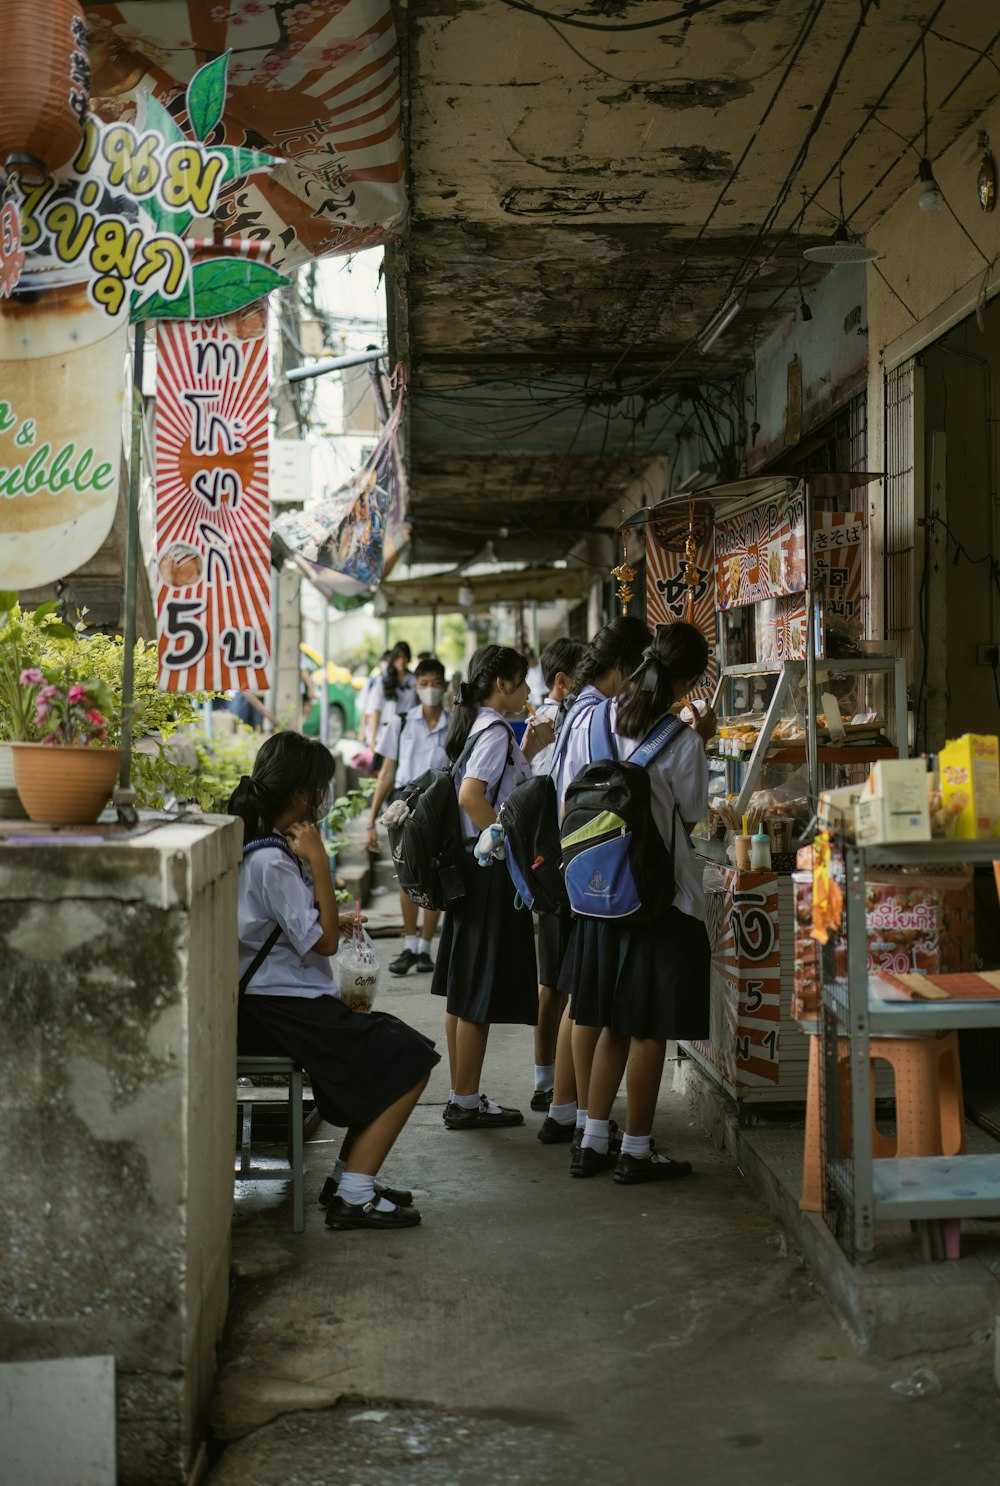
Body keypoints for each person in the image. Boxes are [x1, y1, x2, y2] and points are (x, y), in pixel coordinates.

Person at [230, 732, 440, 1231]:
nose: (324, 797)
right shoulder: (273, 859)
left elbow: (302, 927)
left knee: (397, 1049)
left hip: (281, 1003)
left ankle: (351, 1179)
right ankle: (353, 1195)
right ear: (302, 794)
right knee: (410, 1061)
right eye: (321, 787)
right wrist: (321, 863)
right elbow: (323, 945)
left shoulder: (270, 850)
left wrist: (334, 916)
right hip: (279, 1011)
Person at [563, 621, 717, 1183]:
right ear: (690, 681)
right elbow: (694, 815)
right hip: (659, 898)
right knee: (650, 1027)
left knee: (610, 1023)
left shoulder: (594, 719)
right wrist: (705, 737)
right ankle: (636, 1149)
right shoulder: (681, 739)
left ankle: (593, 1140)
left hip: (598, 896)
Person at [535, 615, 653, 1147]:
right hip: (602, 865)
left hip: (573, 861)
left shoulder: (573, 711)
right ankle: (586, 1120)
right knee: (590, 1001)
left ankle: (567, 1110)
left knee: (577, 992)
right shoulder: (604, 715)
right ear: (626, 666)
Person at [432, 645, 555, 1130]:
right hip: (486, 871)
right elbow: (471, 795)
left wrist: (530, 750)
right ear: (502, 685)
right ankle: (465, 1101)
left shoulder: (477, 725)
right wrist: (499, 842)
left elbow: (494, 783)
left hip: (466, 867)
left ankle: (461, 1094)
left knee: (462, 988)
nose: (528, 692)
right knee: (476, 992)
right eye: (523, 683)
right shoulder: (496, 728)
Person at [526, 636, 586, 1113]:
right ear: (562, 681)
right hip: (556, 861)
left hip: (554, 860)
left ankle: (553, 1078)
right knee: (556, 980)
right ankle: (549, 1079)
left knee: (557, 978)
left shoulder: (558, 720)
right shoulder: (550, 723)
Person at [366, 655, 450, 976]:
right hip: (403, 804)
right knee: (406, 874)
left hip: (439, 802)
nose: (430, 689)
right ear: (416, 686)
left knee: (435, 874)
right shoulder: (400, 722)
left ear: (444, 687)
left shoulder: (454, 723)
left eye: (435, 684)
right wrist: (373, 818)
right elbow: (386, 773)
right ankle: (408, 945)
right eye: (424, 683)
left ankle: (426, 949)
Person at [367, 641, 415, 754]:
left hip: (409, 731)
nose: (402, 661)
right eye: (398, 657)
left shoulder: (415, 681)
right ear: (393, 659)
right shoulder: (383, 681)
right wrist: (372, 738)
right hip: (385, 731)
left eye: (405, 657)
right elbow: (375, 709)